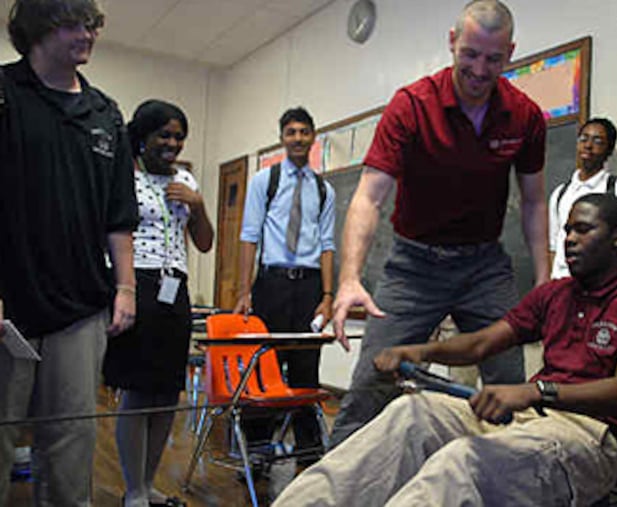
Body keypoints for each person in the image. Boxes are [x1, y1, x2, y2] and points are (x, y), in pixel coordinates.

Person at [273, 193, 617, 506]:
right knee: (411, 412)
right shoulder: (554, 295)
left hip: (589, 436)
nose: (569, 240)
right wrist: (417, 351)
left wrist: (535, 392)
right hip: (528, 418)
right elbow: (484, 341)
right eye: (566, 230)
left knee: (464, 461)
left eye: (582, 230)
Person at [328, 0, 549, 448]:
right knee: (372, 384)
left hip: (485, 266)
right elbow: (368, 197)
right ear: (452, 43)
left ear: (510, 52)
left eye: (493, 58)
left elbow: (533, 201)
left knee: (510, 386)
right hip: (413, 266)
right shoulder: (410, 105)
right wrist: (349, 277)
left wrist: (544, 280)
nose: (480, 69)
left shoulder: (525, 115)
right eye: (470, 54)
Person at [0, 0, 139, 505]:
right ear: (37, 28)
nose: (88, 34)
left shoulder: (106, 114)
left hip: (82, 307)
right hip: (7, 307)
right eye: (74, 23)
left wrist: (126, 288)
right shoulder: (4, 93)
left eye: (93, 23)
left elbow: (119, 214)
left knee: (71, 445)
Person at [102, 100, 213, 507]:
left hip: (175, 289)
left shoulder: (185, 179)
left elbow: (204, 242)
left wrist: (197, 204)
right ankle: (133, 489)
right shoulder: (123, 176)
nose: (172, 143)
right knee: (137, 390)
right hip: (137, 283)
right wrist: (121, 290)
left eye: (179, 136)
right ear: (143, 136)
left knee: (167, 393)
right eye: (164, 135)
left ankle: (148, 484)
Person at [234, 106, 336, 465]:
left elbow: (327, 245)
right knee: (266, 368)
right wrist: (245, 291)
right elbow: (249, 236)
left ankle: (309, 452)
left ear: (313, 137)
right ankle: (258, 452)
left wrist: (327, 297)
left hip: (308, 288)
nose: (297, 138)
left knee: (307, 368)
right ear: (282, 138)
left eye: (303, 132)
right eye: (290, 132)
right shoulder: (266, 180)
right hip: (271, 284)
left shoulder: (325, 190)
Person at [548, 117, 617, 279]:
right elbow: (553, 247)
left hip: (600, 284)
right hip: (562, 282)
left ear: (609, 150)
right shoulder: (560, 193)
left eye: (597, 141)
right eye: (584, 138)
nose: (588, 145)